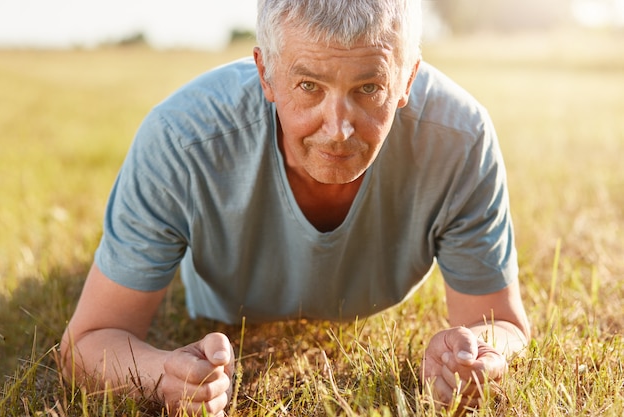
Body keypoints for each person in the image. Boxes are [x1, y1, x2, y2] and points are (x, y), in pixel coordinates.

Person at [60, 0, 531, 415]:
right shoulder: (181, 140)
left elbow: (501, 322)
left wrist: (481, 357)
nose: (338, 129)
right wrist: (165, 374)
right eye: (309, 85)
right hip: (218, 297)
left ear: (408, 78)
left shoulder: (461, 139)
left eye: (369, 88)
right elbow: (85, 344)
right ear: (265, 73)